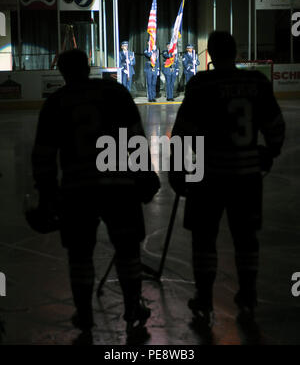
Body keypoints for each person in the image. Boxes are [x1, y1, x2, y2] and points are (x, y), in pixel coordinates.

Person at [31, 49, 160, 337]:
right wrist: (143, 175)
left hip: (77, 189)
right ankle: (132, 305)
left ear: (62, 72)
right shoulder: (115, 92)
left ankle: (85, 314)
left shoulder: (56, 102)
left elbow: (44, 156)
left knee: (79, 255)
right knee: (127, 251)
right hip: (120, 187)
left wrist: (47, 195)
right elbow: (135, 138)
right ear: (87, 66)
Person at [170, 31, 285, 327]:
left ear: (211, 54)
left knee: (204, 239)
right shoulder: (257, 83)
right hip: (247, 176)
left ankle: (205, 298)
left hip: (209, 174)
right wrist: (268, 151)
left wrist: (178, 169)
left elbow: (182, 130)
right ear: (235, 53)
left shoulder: (201, 84)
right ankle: (248, 295)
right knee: (246, 239)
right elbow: (275, 126)